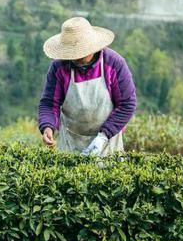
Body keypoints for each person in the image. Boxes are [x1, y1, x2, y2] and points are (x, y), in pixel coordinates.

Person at [38, 17, 136, 156]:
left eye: (79, 53)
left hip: (107, 142)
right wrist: (47, 126)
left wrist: (103, 136)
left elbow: (127, 104)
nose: (74, 57)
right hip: (71, 143)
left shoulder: (114, 64)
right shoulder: (59, 67)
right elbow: (49, 103)